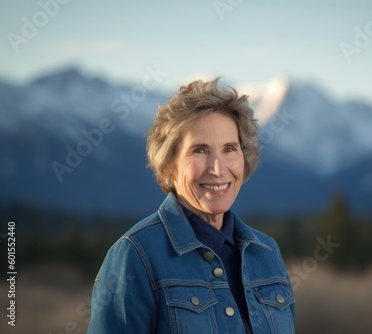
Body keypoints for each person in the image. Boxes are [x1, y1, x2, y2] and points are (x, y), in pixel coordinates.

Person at [87, 78, 295, 333]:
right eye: (199, 150)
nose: (218, 169)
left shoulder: (267, 253)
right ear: (168, 166)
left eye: (229, 148)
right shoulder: (135, 256)